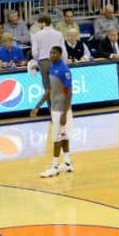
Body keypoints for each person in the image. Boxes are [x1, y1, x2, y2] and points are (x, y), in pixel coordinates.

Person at [31, 46, 75, 177]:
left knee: (56, 138)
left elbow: (69, 93)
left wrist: (64, 114)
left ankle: (55, 166)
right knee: (63, 136)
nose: (51, 55)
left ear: (60, 55)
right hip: (54, 108)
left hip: (61, 110)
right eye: (50, 52)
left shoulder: (64, 70)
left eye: (54, 53)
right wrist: (37, 106)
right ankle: (67, 163)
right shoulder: (52, 68)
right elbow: (49, 90)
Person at [31, 14, 65, 88]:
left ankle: (50, 100)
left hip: (44, 62)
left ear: (43, 23)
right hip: (57, 62)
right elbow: (63, 51)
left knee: (47, 87)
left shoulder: (36, 35)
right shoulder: (58, 34)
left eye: (39, 23)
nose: (38, 25)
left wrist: (39, 61)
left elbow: (34, 53)